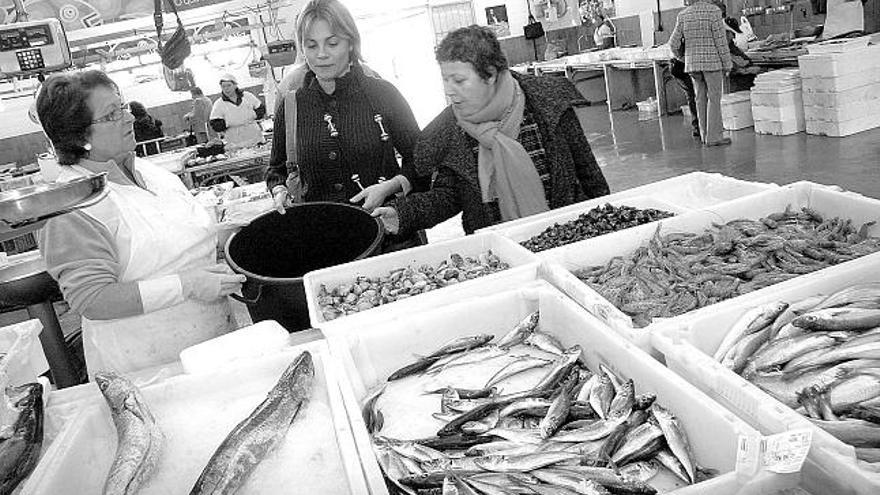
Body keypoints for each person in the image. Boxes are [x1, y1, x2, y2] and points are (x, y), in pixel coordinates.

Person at [35, 70, 246, 379]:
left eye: (122, 107)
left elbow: (182, 237)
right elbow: (92, 298)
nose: (128, 118)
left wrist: (228, 236)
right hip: (148, 367)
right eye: (111, 115)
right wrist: (185, 285)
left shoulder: (153, 172)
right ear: (79, 136)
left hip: (214, 341)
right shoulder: (70, 204)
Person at [371, 26, 610, 237]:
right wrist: (402, 214)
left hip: (570, 237)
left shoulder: (548, 102)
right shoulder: (450, 130)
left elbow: (589, 173)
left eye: (459, 81)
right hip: (502, 252)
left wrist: (607, 226)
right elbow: (447, 197)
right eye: (445, 80)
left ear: (490, 74)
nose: (449, 91)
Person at [266, 0, 426, 240]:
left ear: (350, 42)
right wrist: (279, 190)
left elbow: (421, 159)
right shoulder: (292, 105)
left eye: (332, 43)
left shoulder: (383, 94)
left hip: (387, 237)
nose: (321, 54)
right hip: (323, 243)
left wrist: (390, 186)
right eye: (311, 45)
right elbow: (276, 169)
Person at [668, 0, 732, 146]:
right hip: (712, 63)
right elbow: (721, 42)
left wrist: (682, 58)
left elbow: (673, 44)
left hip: (693, 65)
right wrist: (727, 64)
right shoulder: (714, 12)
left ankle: (704, 136)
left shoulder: (683, 15)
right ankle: (714, 137)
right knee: (714, 99)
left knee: (700, 98)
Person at [209, 73, 266, 148]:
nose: (226, 89)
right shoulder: (219, 104)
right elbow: (215, 123)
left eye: (229, 85)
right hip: (234, 141)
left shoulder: (247, 96)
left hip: (254, 137)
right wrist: (229, 122)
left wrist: (252, 115)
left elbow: (261, 108)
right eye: (223, 86)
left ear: (235, 85)